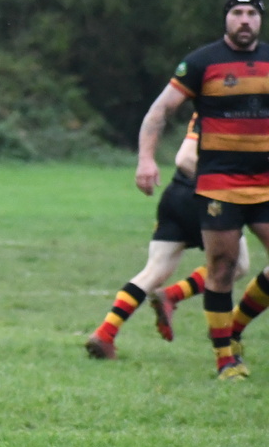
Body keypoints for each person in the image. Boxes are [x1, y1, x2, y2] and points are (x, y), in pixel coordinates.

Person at [135, 0, 269, 380]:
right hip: (219, 185)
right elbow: (160, 110)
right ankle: (225, 359)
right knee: (222, 269)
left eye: (251, 13)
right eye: (237, 13)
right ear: (226, 18)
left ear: (260, 20)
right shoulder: (201, 62)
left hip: (265, 183)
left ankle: (236, 326)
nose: (244, 20)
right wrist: (146, 159)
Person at [86, 116, 250, 358]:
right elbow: (186, 158)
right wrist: (229, 187)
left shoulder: (217, 105)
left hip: (176, 195)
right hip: (206, 199)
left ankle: (105, 333)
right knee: (237, 264)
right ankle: (173, 296)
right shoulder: (230, 108)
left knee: (155, 270)